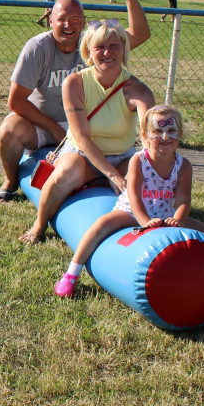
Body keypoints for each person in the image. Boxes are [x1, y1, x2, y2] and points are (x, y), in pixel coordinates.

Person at [0, 0, 150, 204]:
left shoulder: (94, 46)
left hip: (86, 128)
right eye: (62, 19)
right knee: (9, 128)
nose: (68, 25)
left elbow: (141, 34)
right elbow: (16, 101)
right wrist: (55, 130)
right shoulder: (38, 48)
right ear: (50, 20)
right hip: (43, 124)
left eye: (75, 19)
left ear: (84, 23)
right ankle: (10, 181)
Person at [53, 105, 204, 296]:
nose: (164, 137)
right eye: (157, 131)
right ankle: (72, 273)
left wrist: (177, 221)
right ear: (145, 136)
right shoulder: (138, 160)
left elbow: (183, 201)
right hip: (131, 211)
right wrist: (145, 222)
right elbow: (134, 196)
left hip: (166, 215)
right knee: (99, 226)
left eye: (171, 131)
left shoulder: (183, 166)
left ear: (179, 135)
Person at [19, 18, 156, 244]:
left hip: (121, 155)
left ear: (123, 50)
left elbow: (148, 135)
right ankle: (39, 225)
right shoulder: (75, 83)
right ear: (89, 52)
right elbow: (81, 138)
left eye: (114, 46)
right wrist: (111, 175)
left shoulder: (138, 90)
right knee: (65, 173)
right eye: (99, 47)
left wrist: (139, 166)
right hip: (80, 153)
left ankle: (146, 230)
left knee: (141, 180)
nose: (107, 53)